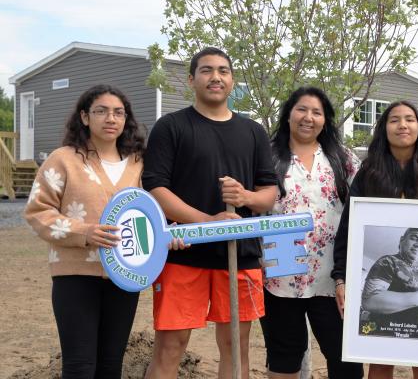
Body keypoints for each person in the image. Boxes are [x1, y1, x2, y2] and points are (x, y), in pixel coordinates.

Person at [142, 47, 278, 379]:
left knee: (236, 346)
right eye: (206, 70)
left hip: (240, 256)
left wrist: (245, 196)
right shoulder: (171, 127)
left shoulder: (254, 132)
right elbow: (156, 188)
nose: (215, 77)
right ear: (192, 79)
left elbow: (269, 195)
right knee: (171, 346)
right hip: (183, 254)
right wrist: (208, 223)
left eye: (223, 71)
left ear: (232, 81)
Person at [24, 84, 146, 378]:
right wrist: (83, 232)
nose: (111, 118)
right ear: (84, 117)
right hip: (75, 276)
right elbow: (37, 211)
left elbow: (151, 214)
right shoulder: (63, 159)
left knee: (110, 365)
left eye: (118, 112)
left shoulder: (140, 164)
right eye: (101, 111)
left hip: (125, 277)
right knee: (79, 366)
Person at [331, 100, 418, 379]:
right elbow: (349, 227)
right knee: (379, 365)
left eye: (409, 119)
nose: (402, 125)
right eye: (394, 119)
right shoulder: (369, 173)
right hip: (384, 324)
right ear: (384, 129)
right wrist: (341, 277)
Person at [261, 86, 363, 378]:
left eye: (317, 112)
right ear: (288, 114)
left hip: (332, 279)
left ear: (325, 119)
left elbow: (365, 203)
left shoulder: (342, 159)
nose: (308, 118)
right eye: (301, 110)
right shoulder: (267, 156)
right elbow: (252, 210)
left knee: (345, 358)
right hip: (279, 274)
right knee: (284, 358)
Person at [361, 228, 418, 327]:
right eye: (414, 238)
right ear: (402, 240)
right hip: (388, 333)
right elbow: (369, 301)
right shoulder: (388, 261)